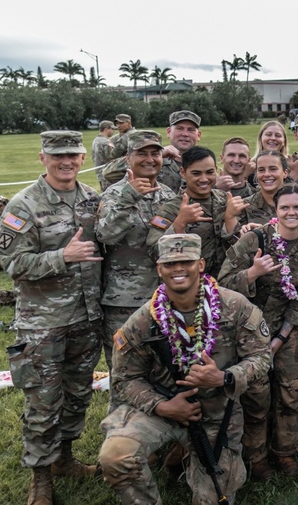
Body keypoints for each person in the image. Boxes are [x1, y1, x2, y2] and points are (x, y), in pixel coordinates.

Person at [98, 233, 271, 505]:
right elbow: (124, 378)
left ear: (200, 264)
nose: (178, 269)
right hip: (163, 407)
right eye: (170, 264)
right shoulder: (144, 319)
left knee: (214, 497)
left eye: (186, 261)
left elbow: (261, 357)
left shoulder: (234, 306)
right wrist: (161, 406)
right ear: (159, 269)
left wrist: (224, 377)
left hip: (216, 412)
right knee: (117, 455)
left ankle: (185, 457)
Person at [0, 131, 103, 505]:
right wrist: (63, 257)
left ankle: (65, 459)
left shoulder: (92, 199)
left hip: (86, 320)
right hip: (43, 325)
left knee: (77, 396)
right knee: (42, 405)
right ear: (43, 158)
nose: (67, 162)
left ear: (81, 156)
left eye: (73, 155)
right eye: (57, 156)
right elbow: (12, 264)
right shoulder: (23, 205)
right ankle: (40, 480)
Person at [219, 184, 298, 479]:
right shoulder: (255, 240)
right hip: (248, 331)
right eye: (285, 207)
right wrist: (252, 273)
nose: (291, 213)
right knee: (256, 396)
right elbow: (222, 284)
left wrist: (280, 338)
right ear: (276, 211)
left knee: (291, 392)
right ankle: (257, 457)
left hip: (285, 328)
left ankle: (286, 452)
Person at [98, 130, 178, 405]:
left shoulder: (168, 194)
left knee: (162, 372)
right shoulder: (115, 194)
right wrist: (129, 197)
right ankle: (120, 439)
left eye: (155, 153)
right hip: (124, 302)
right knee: (124, 375)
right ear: (128, 158)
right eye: (141, 153)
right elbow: (106, 235)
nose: (149, 159)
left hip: (161, 299)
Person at [146, 146, 243, 277]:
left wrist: (232, 220)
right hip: (191, 285)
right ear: (183, 173)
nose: (204, 179)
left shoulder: (226, 200)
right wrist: (179, 224)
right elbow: (154, 253)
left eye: (209, 172)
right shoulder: (171, 209)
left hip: (226, 282)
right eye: (196, 173)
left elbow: (241, 245)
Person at [157, 110, 204, 192]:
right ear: (168, 132)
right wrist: (157, 155)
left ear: (198, 135)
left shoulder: (204, 164)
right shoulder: (155, 162)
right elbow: (129, 168)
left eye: (191, 130)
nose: (185, 134)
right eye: (179, 128)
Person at [240, 150, 287, 227]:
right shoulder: (245, 206)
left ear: (285, 173)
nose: (267, 174)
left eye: (273, 169)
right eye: (261, 170)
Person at [92, 120, 116, 190]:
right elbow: (111, 157)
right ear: (106, 129)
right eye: (112, 129)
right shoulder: (106, 142)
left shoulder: (96, 140)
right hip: (108, 173)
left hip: (99, 172)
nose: (113, 131)